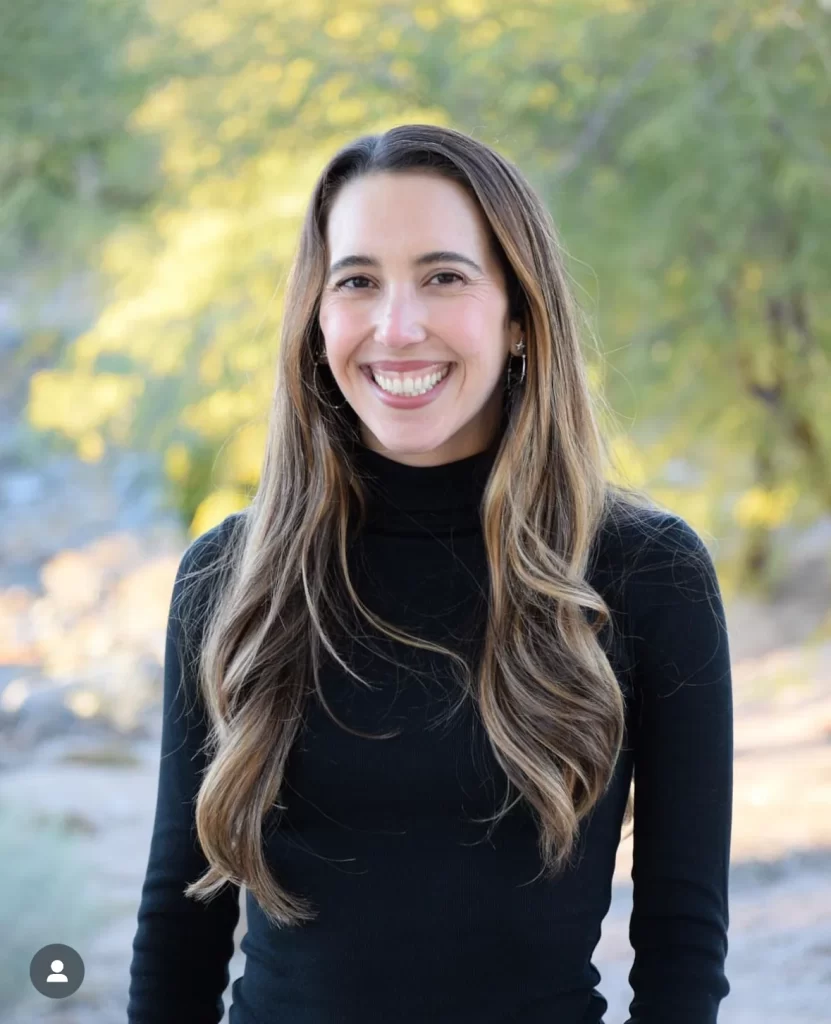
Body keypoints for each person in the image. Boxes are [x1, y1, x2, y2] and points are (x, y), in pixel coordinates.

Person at [127, 124, 733, 1024]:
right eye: (358, 281)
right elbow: (181, 921)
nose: (395, 327)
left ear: (519, 316)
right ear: (317, 318)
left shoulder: (646, 573)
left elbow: (681, 941)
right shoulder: (228, 577)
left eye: (443, 277)